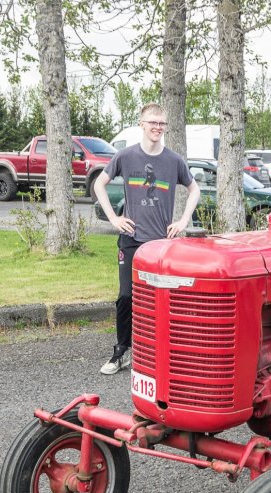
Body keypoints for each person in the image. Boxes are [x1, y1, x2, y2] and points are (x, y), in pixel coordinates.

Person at [93, 103, 202, 375]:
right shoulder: (125, 156)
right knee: (126, 296)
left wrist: (183, 221)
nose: (157, 127)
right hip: (132, 240)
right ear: (141, 124)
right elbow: (98, 185)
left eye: (162, 123)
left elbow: (194, 190)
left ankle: (162, 355)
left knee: (163, 299)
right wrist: (114, 219)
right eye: (152, 122)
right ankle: (121, 352)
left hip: (162, 244)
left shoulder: (174, 161)